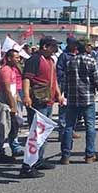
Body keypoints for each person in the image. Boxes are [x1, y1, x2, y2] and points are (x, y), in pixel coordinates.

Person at [20, 37, 65, 178]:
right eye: (53, 47)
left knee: (44, 133)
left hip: (48, 100)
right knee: (36, 134)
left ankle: (38, 159)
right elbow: (27, 78)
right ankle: (27, 166)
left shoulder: (51, 60)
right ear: (45, 47)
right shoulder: (34, 59)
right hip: (38, 101)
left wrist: (58, 95)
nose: (55, 51)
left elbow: (54, 80)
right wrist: (26, 96)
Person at [60, 41, 98, 165]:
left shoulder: (70, 62)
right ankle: (89, 155)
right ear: (86, 49)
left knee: (69, 127)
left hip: (72, 98)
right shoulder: (91, 61)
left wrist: (64, 94)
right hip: (88, 98)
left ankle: (65, 156)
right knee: (90, 127)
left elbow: (65, 81)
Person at [0, 49, 24, 163]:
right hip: (4, 102)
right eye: (16, 57)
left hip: (12, 100)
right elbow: (7, 90)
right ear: (9, 58)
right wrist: (13, 106)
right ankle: (0, 153)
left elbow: (13, 89)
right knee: (2, 129)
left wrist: (18, 98)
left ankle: (15, 148)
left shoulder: (12, 70)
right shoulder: (5, 70)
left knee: (14, 127)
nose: (18, 59)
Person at [56, 37, 79, 141]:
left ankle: (71, 130)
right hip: (65, 86)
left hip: (76, 86)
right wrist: (67, 75)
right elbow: (59, 70)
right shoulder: (64, 56)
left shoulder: (78, 55)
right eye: (73, 44)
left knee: (74, 110)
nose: (75, 46)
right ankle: (62, 133)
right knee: (64, 110)